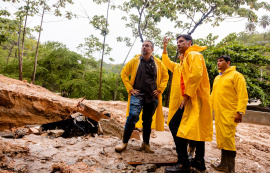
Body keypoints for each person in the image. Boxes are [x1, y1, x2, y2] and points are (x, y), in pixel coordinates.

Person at [162, 35, 213, 173]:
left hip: (192, 98)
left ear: (189, 43)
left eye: (181, 41)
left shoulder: (193, 55)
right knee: (196, 129)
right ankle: (199, 161)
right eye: (177, 42)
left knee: (174, 125)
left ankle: (183, 163)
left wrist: (187, 96)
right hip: (194, 99)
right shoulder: (186, 59)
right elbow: (167, 62)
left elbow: (196, 75)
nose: (178, 44)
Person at [115, 40, 169, 153]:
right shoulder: (135, 61)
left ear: (152, 49)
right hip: (137, 94)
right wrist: (130, 88)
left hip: (152, 96)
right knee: (133, 115)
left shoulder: (158, 63)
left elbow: (165, 76)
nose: (144, 47)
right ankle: (124, 142)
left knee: (147, 121)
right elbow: (124, 73)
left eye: (147, 46)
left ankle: (146, 144)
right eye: (143, 45)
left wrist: (160, 89)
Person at [211, 55, 248, 173]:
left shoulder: (236, 75)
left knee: (228, 138)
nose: (218, 63)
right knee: (222, 139)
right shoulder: (217, 78)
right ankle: (223, 164)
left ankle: (231, 169)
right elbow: (213, 96)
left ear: (228, 62)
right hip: (219, 113)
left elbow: (243, 95)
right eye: (217, 61)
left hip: (230, 113)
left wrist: (240, 112)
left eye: (221, 61)